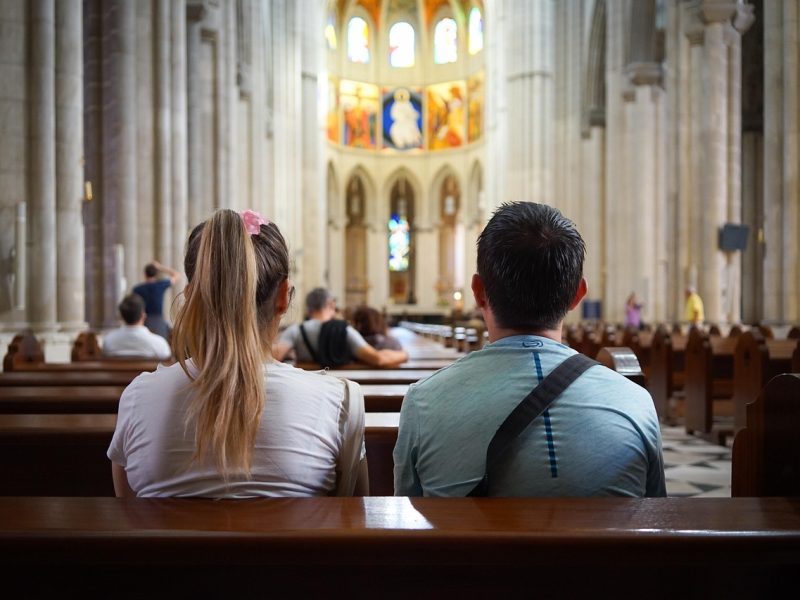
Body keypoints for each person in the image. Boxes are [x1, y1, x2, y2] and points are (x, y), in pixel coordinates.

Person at [393, 202, 666, 497]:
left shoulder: (424, 402)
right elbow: (655, 520)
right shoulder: (636, 401)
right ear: (577, 295)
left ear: (478, 292)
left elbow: (410, 524)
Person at [108, 209, 368, 498]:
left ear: (192, 296)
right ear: (284, 297)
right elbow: (352, 519)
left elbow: (130, 520)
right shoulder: (340, 404)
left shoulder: (138, 399)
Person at [273, 288, 408, 368]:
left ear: (308, 309)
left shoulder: (295, 330)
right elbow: (378, 359)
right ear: (331, 304)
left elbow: (273, 357)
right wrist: (404, 354)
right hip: (338, 389)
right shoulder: (344, 330)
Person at [102, 294, 172, 360]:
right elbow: (167, 362)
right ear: (143, 315)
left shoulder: (108, 341)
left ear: (121, 316)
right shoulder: (159, 344)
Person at [132, 260, 181, 340]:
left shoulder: (137, 289)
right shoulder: (160, 285)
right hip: (158, 321)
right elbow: (177, 275)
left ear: (145, 274)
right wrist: (160, 267)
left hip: (144, 321)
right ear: (156, 274)